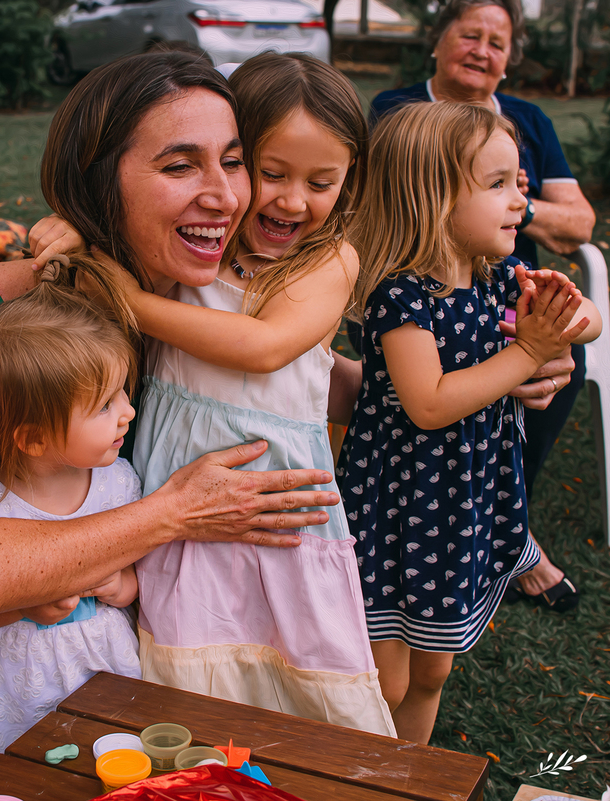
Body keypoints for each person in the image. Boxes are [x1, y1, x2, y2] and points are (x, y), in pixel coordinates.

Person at [0, 49, 345, 801]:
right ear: (100, 181)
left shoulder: (208, 299)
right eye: (180, 166)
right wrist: (176, 512)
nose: (224, 195)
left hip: (165, 684)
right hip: (0, 700)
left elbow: (289, 375)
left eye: (233, 162)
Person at [33, 52, 394, 734]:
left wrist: (131, 299)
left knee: (300, 696)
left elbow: (265, 349)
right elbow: (124, 215)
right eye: (271, 172)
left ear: (348, 186)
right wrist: (77, 228)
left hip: (279, 522)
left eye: (321, 182)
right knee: (190, 688)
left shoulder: (327, 259)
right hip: (179, 510)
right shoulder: (202, 249)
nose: (291, 200)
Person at [339, 101, 600, 744]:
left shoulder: (497, 277)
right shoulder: (401, 294)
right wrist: (528, 354)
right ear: (431, 198)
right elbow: (427, 402)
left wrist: (567, 316)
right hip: (400, 505)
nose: (521, 200)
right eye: (499, 184)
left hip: (464, 503)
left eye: (520, 182)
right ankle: (364, 775)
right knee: (386, 681)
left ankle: (409, 773)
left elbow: (592, 318)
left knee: (433, 671)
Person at [368, 0, 597, 612]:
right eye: (470, 34)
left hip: (486, 285)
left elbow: (580, 226)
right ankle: (512, 538)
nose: (482, 49)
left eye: (498, 41)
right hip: (412, 481)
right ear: (437, 44)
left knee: (556, 373)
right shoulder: (402, 117)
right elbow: (427, 401)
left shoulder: (524, 124)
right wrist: (529, 352)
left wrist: (514, 201)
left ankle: (504, 522)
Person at [0, 254, 145, 800]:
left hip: (99, 673)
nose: (128, 412)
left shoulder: (119, 486)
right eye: (106, 405)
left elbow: (134, 584)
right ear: (34, 438)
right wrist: (23, 605)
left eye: (123, 393)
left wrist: (121, 586)